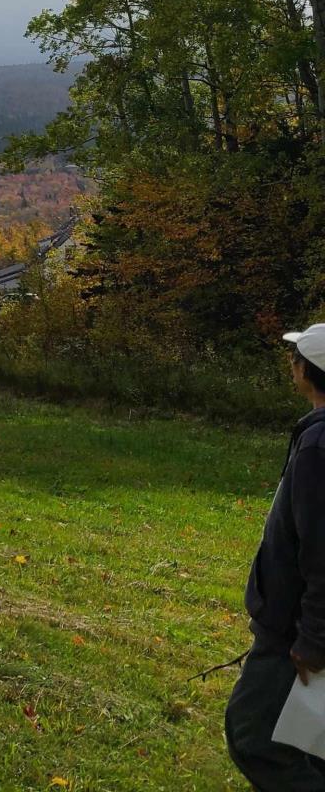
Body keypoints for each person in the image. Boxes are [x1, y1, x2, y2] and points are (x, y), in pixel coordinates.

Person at [229, 323, 325, 788]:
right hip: (301, 626)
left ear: (308, 371)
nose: (291, 364)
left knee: (254, 736)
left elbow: (322, 554)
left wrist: (312, 640)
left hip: (295, 633)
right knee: (314, 744)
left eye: (295, 357)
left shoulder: (319, 446)